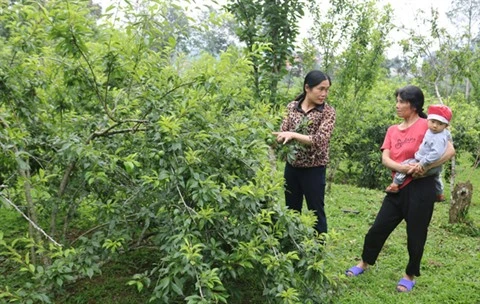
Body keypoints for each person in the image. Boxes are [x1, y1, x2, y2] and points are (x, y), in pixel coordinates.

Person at [345, 85, 455, 293]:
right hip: (397, 187)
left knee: (416, 234)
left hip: (422, 188)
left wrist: (424, 167)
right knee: (378, 228)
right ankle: (364, 263)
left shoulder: (428, 124)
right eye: (397, 101)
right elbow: (385, 157)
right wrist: (402, 168)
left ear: (413, 105)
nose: (397, 105)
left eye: (401, 101)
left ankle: (409, 275)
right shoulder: (392, 130)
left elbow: (450, 150)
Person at [272, 70, 336, 234]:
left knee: (316, 211)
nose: (324, 94)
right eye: (320, 89)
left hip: (314, 169)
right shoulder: (292, 107)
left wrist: (293, 134)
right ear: (307, 88)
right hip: (292, 167)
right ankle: (291, 243)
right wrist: (279, 137)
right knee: (291, 209)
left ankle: (318, 248)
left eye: (327, 90)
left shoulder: (327, 112)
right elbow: (283, 131)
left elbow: (320, 140)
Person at [385, 104, 453, 202]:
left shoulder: (438, 136)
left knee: (406, 165)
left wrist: (423, 163)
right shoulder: (443, 132)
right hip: (436, 166)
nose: (434, 126)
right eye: (433, 122)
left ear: (445, 125)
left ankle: (395, 184)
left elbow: (437, 153)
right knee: (437, 177)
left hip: (423, 160)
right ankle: (439, 194)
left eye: (439, 124)